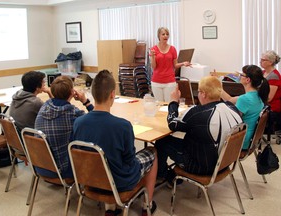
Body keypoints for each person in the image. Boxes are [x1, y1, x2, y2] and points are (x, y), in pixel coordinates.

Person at [72, 70, 158, 216]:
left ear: (93, 94)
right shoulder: (122, 126)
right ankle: (147, 205)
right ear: (112, 94)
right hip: (120, 182)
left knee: (104, 156)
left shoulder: (79, 123)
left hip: (89, 179)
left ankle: (110, 209)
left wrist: (86, 103)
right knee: (152, 152)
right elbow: (130, 160)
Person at [155, 76, 243, 187]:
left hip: (201, 166)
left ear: (203, 94)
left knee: (162, 141)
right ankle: (171, 175)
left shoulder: (197, 113)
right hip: (223, 163)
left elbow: (172, 124)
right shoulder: (231, 107)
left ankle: (162, 175)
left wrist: (173, 102)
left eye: (199, 91)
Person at [34, 75, 93, 178]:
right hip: (62, 170)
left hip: (40, 165)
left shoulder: (44, 106)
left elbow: (54, 101)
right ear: (72, 92)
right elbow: (96, 120)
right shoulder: (73, 113)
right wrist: (85, 102)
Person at [221, 65, 270, 149]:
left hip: (242, 140)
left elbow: (234, 121)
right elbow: (230, 99)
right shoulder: (257, 95)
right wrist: (218, 88)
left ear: (248, 80)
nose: (239, 76)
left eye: (242, 75)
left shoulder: (245, 99)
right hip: (250, 138)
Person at [150, 27, 191, 102]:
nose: (166, 36)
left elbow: (175, 65)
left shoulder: (172, 49)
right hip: (156, 82)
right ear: (159, 36)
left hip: (170, 81)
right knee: (159, 105)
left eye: (167, 34)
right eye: (163, 34)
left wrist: (183, 63)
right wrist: (152, 57)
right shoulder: (154, 49)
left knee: (170, 104)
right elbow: (153, 67)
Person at [260, 50, 281, 135]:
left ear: (270, 62)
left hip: (272, 106)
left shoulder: (274, 76)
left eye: (263, 60)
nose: (260, 61)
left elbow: (269, 98)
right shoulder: (264, 72)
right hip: (263, 102)